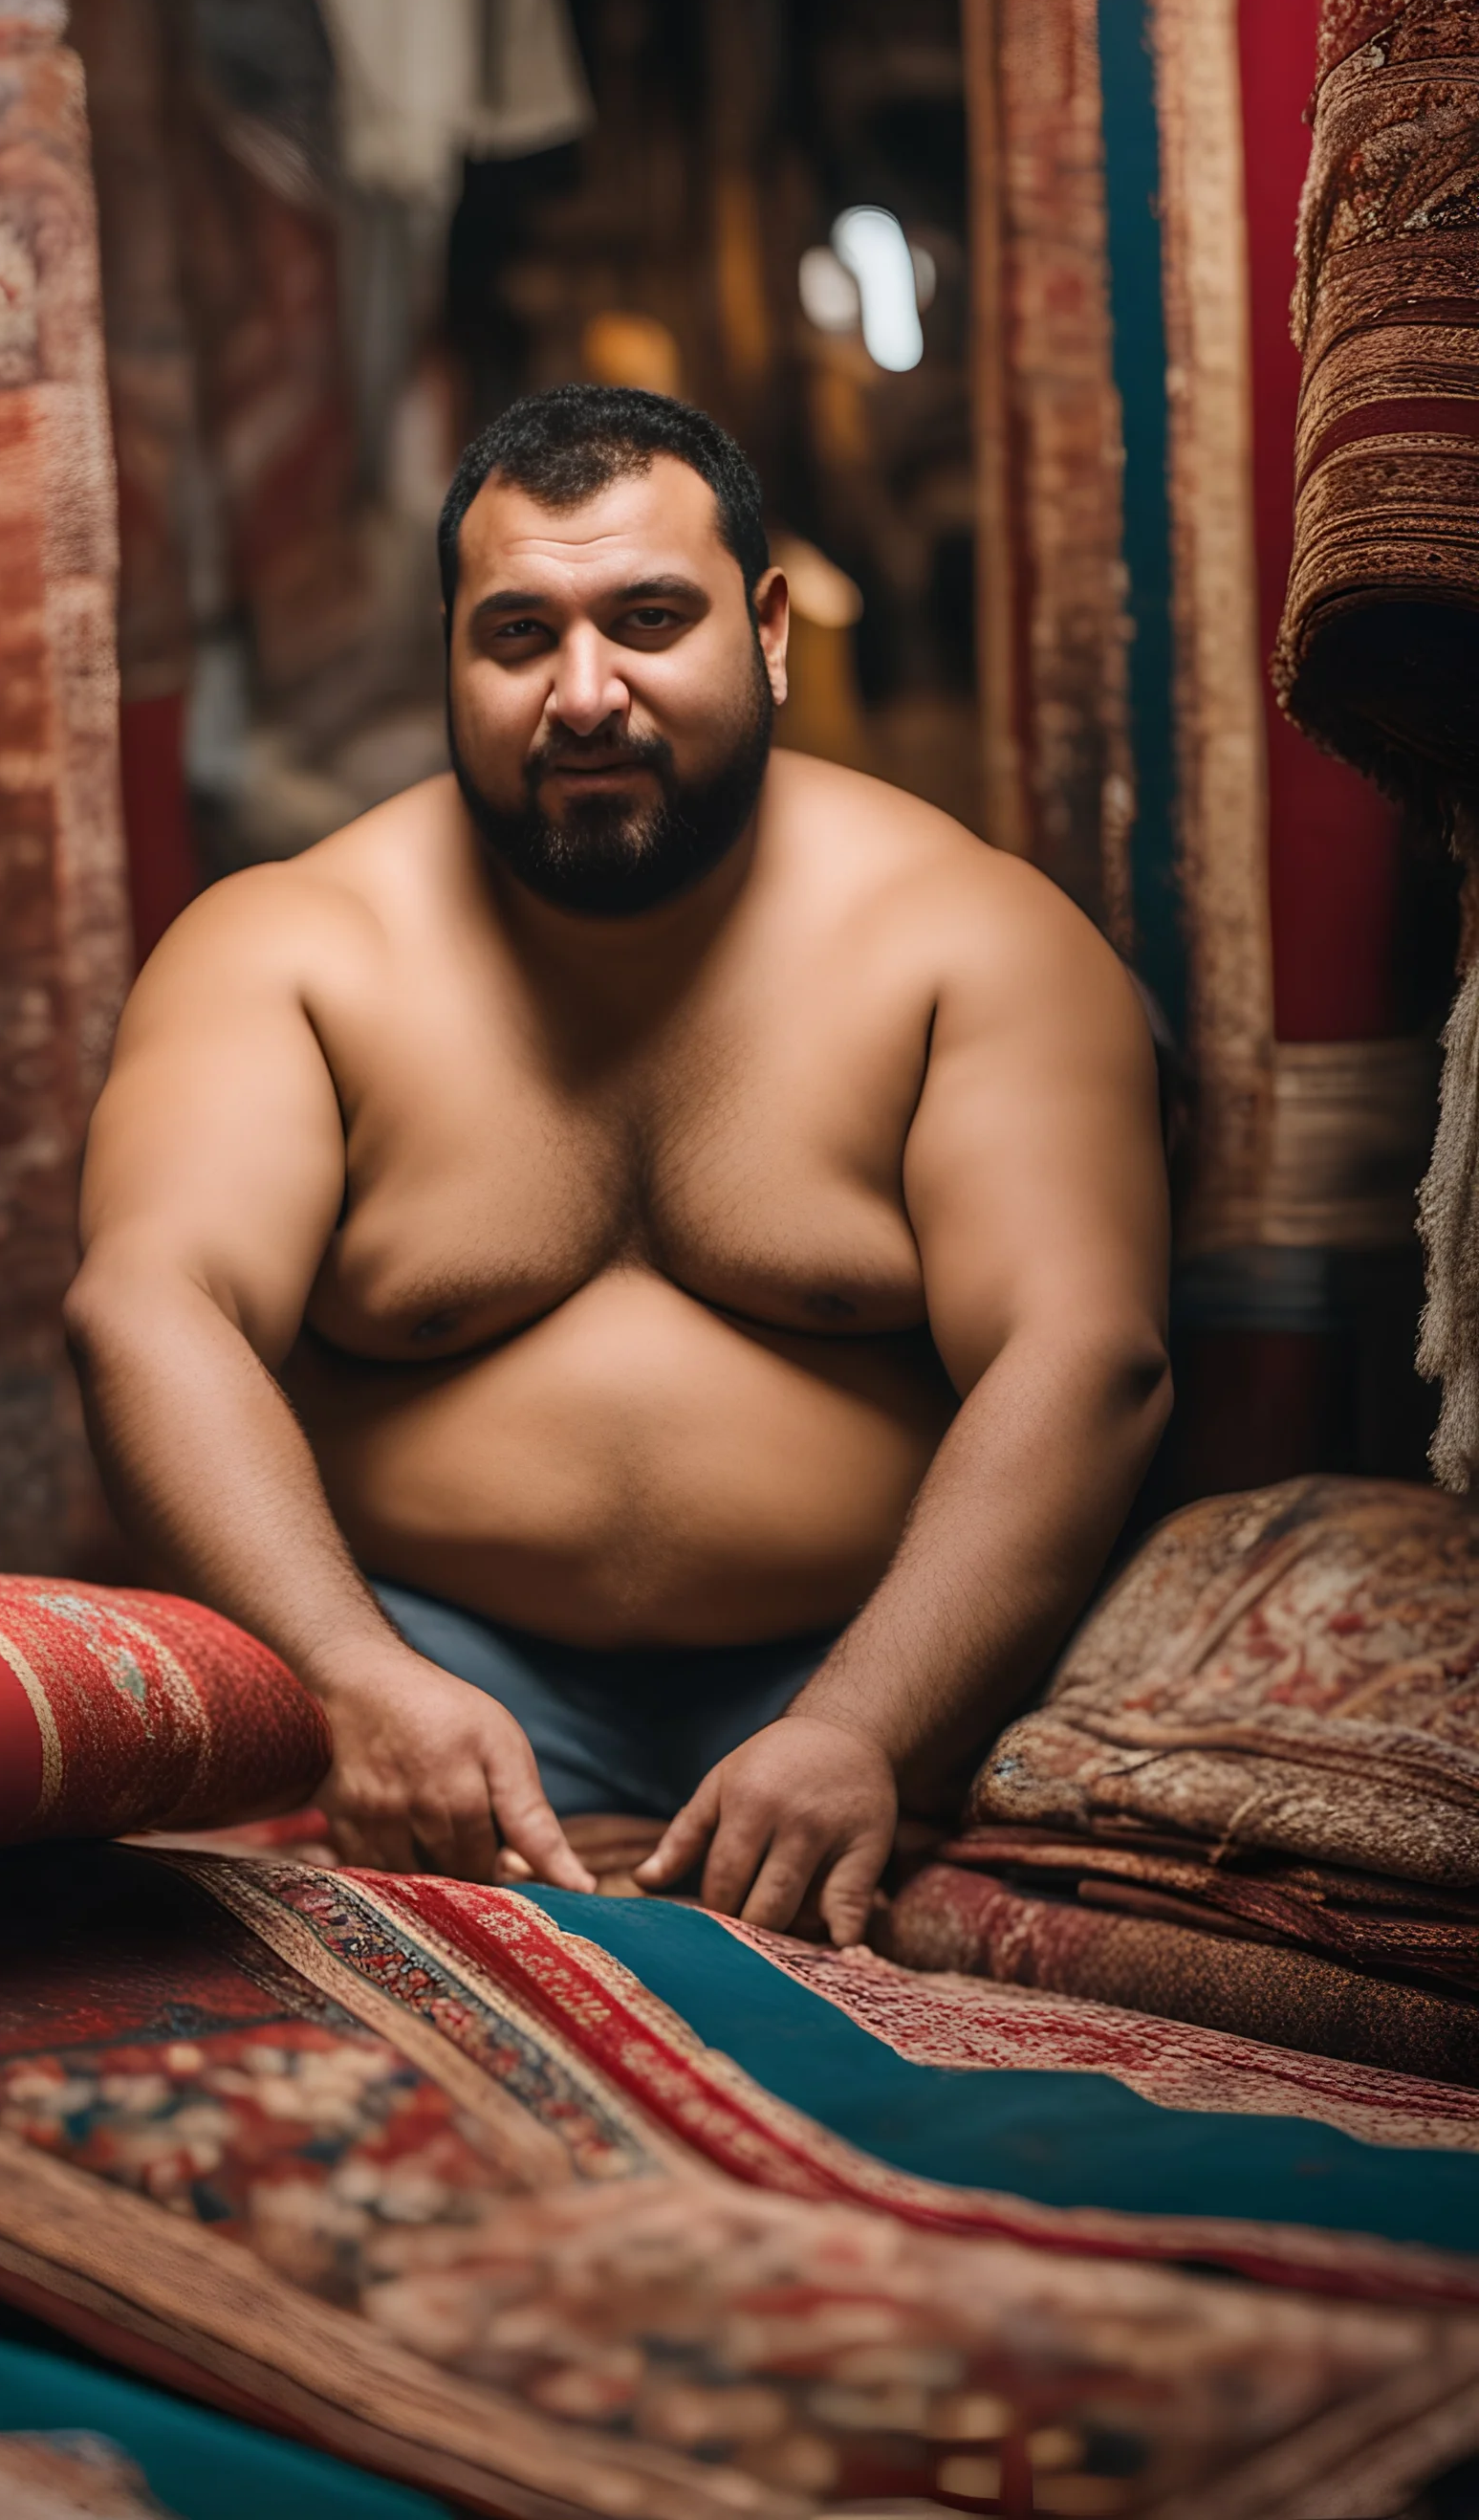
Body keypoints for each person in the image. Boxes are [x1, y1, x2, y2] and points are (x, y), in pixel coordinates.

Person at [68, 384, 1171, 1945]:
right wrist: (352, 1676)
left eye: (650, 619)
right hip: (416, 1673)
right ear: (448, 652)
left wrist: (865, 1724)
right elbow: (150, 1309)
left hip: (899, 1670)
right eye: (520, 636)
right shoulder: (292, 951)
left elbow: (1086, 1354)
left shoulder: (972, 940)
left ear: (769, 629)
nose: (586, 694)